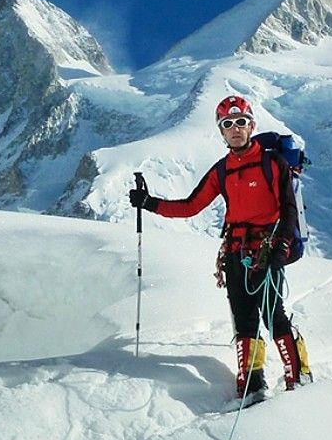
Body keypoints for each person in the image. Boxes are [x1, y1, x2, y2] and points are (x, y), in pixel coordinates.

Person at [129, 95, 312, 400]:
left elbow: (289, 208)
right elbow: (191, 206)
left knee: (272, 315)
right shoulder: (222, 170)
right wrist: (149, 203)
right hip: (236, 253)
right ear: (221, 131)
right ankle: (252, 385)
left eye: (241, 122)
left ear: (251, 125)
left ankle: (299, 376)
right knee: (244, 320)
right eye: (228, 124)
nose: (235, 128)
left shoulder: (273, 162)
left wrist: (280, 247)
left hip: (267, 249)